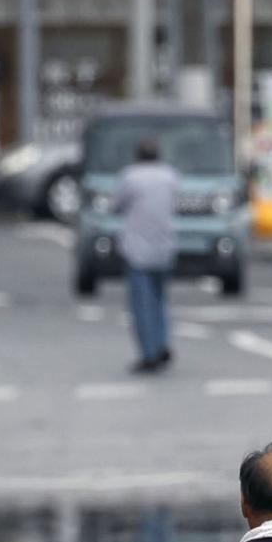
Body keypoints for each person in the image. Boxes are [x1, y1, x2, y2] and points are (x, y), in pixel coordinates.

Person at [116, 131, 180, 374]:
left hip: (138, 249)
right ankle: (162, 343)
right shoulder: (170, 176)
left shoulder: (130, 177)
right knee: (160, 300)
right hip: (165, 246)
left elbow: (116, 204)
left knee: (142, 305)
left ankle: (148, 353)